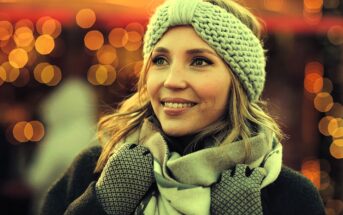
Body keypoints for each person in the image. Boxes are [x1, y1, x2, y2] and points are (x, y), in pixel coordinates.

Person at [40, 0, 325, 214]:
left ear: (238, 82)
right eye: (160, 60)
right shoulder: (95, 168)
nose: (172, 80)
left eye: (199, 61)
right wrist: (101, 205)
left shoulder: (289, 195)